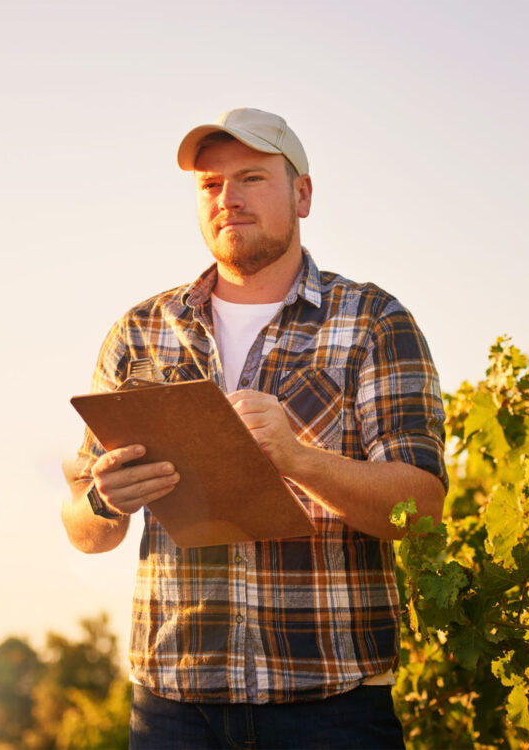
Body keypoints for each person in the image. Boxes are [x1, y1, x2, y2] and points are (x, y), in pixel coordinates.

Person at [61, 107, 447, 749]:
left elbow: (423, 510)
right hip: (172, 711)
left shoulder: (374, 321)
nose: (228, 199)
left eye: (251, 178)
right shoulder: (141, 332)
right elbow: (83, 526)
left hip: (331, 707)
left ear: (302, 194)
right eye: (210, 185)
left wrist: (300, 459)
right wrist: (103, 499)